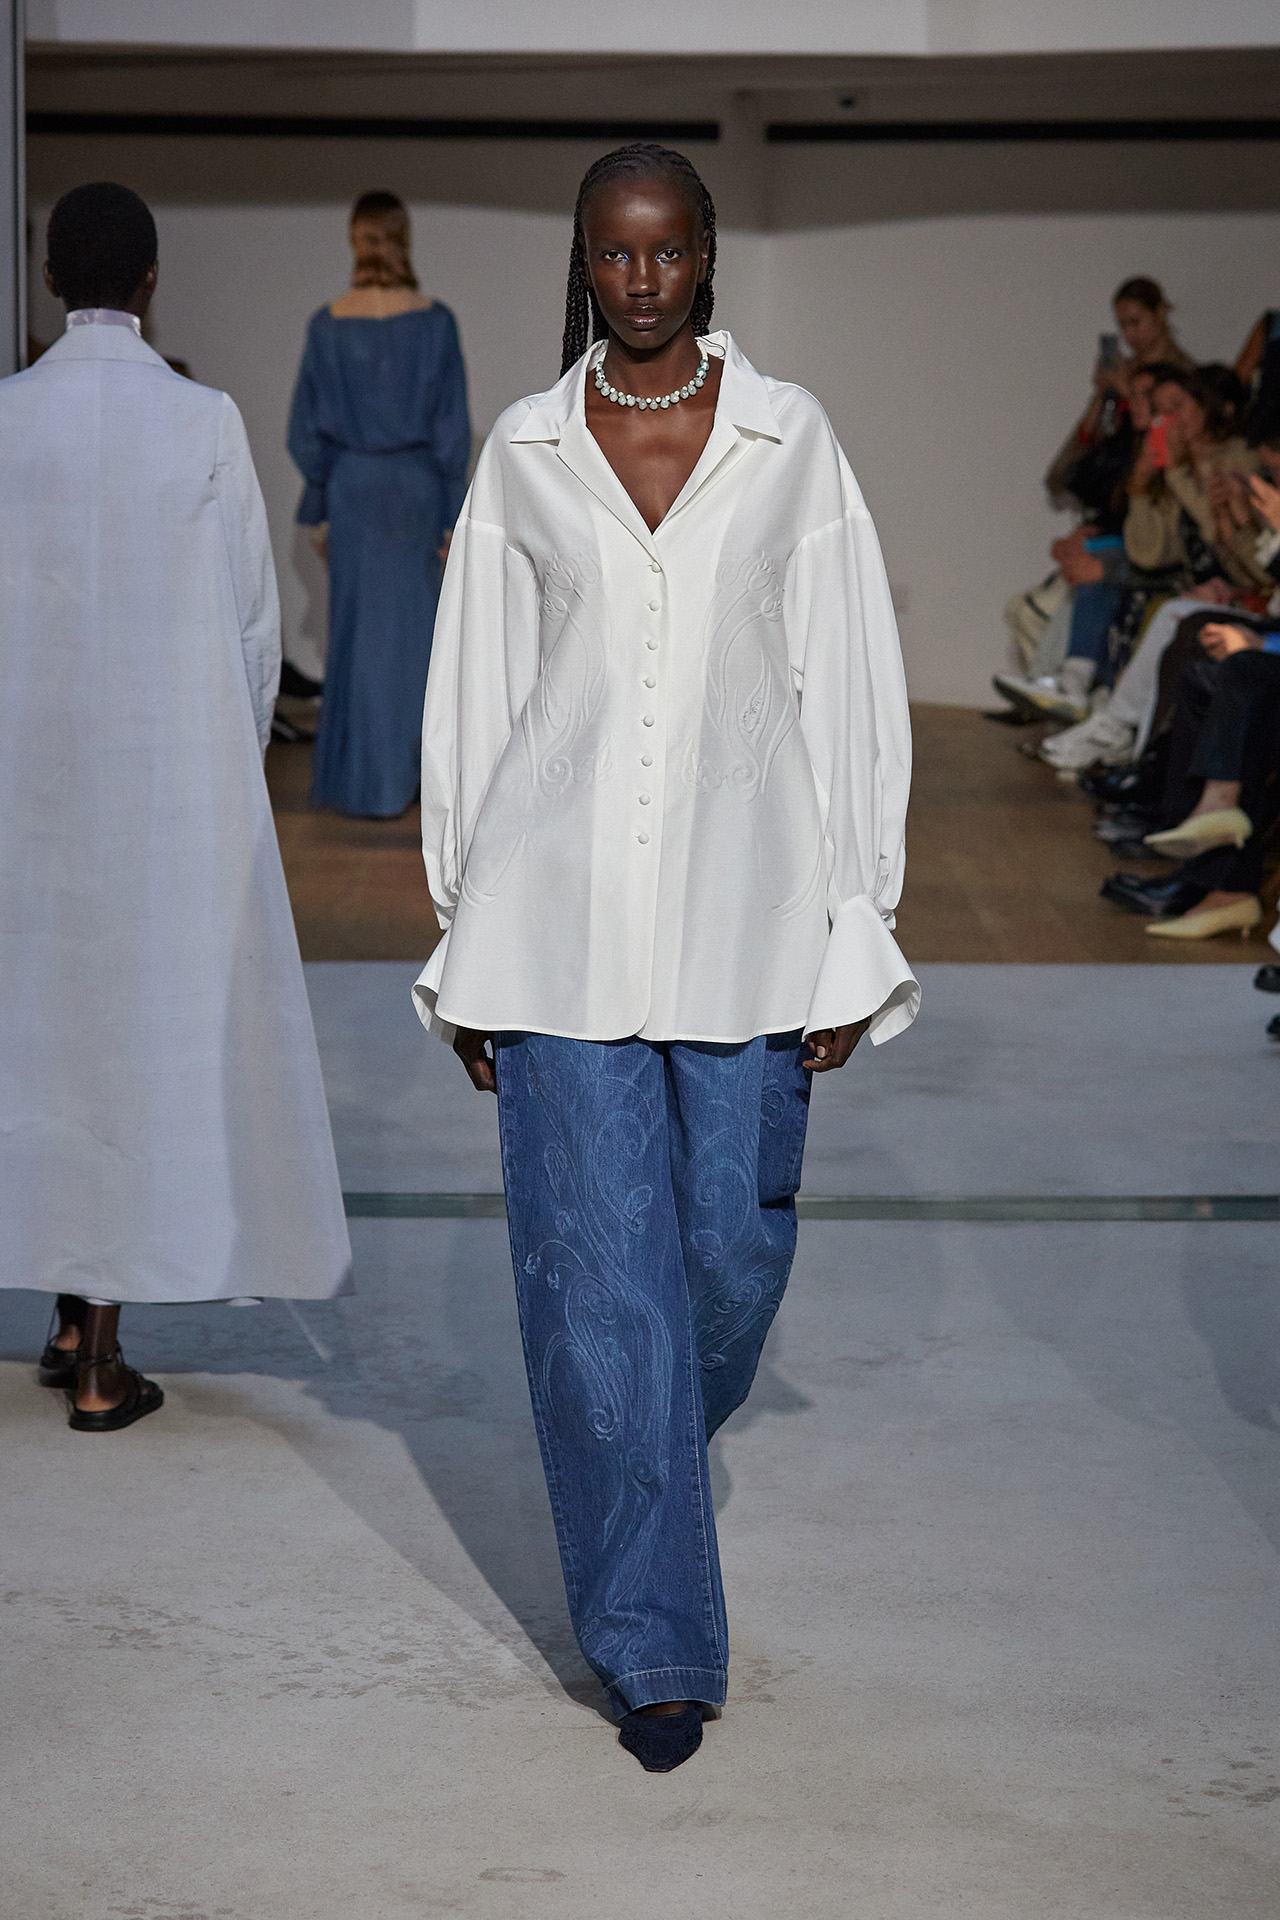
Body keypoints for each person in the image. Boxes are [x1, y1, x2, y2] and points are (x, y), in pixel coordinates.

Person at [414, 144, 917, 1772]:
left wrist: (860, 924)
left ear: (706, 256)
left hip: (747, 918)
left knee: (721, 1261)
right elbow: (478, 692)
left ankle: (631, 1453)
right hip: (553, 927)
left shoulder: (789, 441)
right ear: (585, 262)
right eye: (613, 254)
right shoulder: (525, 450)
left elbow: (848, 675)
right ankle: (658, 1650)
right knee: (596, 1288)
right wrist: (462, 926)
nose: (640, 280)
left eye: (667, 251)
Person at [0, 183, 351, 1430]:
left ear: (50, 279)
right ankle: (100, 1355)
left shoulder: (6, 418)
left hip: (28, 790)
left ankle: (64, 1310)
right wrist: (224, 773)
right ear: (151, 282)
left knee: (42, 1039)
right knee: (133, 1053)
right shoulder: (202, 422)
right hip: (154, 790)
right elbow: (252, 623)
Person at [288, 191, 470, 817]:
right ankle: (411, 779)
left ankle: (365, 779)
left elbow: (305, 432)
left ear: (354, 239)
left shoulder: (326, 325)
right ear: (402, 238)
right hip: (414, 492)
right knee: (414, 638)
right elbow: (451, 430)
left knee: (359, 635)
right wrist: (451, 513)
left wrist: (319, 503)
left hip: (355, 493)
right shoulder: (436, 323)